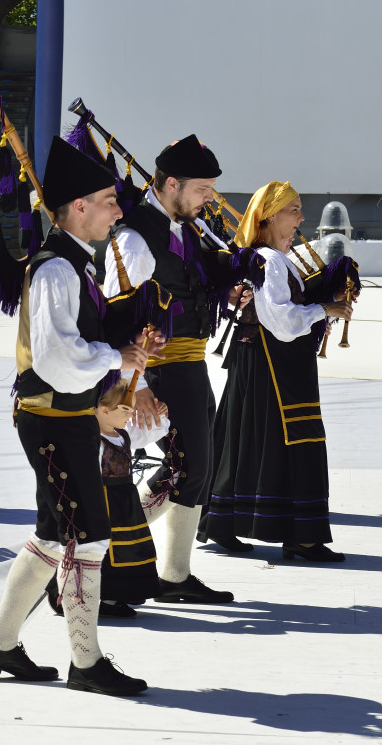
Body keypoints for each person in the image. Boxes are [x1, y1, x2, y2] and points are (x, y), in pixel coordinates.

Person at [0, 137, 149, 695]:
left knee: (55, 537)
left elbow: (76, 345)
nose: (117, 211)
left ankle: (0, 644)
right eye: (108, 201)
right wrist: (115, 358)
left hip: (64, 417)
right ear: (78, 206)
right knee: (88, 538)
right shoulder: (56, 269)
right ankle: (86, 663)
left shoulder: (75, 262)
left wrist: (122, 346)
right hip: (52, 419)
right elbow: (56, 359)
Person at [104, 135, 254, 604]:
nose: (209, 198)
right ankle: (99, 550)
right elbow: (115, 313)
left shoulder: (182, 226)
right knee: (187, 470)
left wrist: (226, 293)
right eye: (202, 189)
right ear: (172, 183)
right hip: (160, 369)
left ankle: (173, 574)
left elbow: (188, 285)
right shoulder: (135, 236)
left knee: (193, 471)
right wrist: (135, 385)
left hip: (190, 366)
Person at [203, 182, 353, 561]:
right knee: (288, 440)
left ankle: (229, 524)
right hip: (272, 365)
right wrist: (325, 309)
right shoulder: (268, 260)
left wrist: (329, 294)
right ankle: (301, 536)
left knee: (251, 439)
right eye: (294, 209)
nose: (301, 217)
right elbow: (282, 321)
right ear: (269, 216)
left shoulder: (276, 258)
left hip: (268, 362)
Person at [48, 380, 169, 619]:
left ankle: (120, 592)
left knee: (127, 548)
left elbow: (154, 431)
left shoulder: (123, 434)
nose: (131, 415)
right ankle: (89, 596)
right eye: (125, 410)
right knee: (102, 551)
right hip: (101, 503)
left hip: (125, 503)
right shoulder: (91, 440)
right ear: (104, 410)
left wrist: (160, 415)